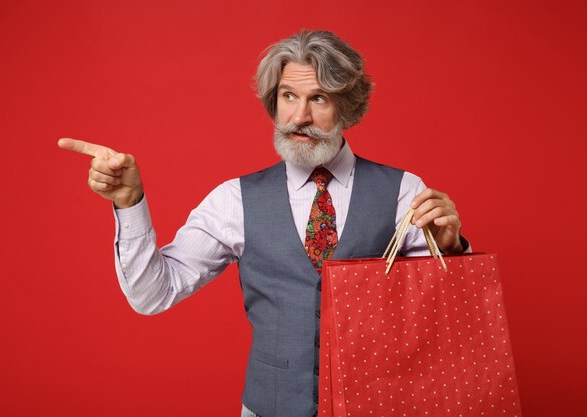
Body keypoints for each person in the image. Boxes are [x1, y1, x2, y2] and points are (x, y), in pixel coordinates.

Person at [58, 30, 469, 417]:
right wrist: (130, 204)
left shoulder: (403, 191)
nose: (300, 116)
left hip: (378, 405)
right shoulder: (234, 200)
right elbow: (152, 295)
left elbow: (447, 317)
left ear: (348, 107)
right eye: (289, 96)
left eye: (320, 98)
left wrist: (453, 251)